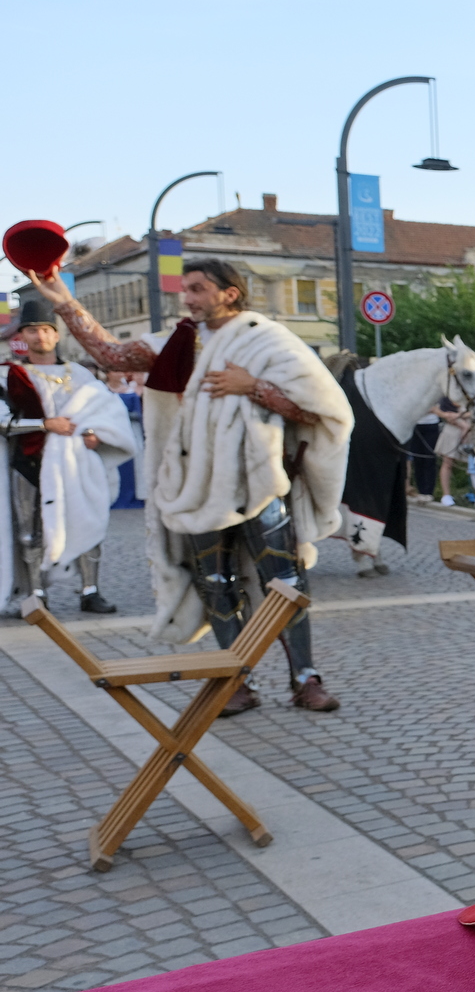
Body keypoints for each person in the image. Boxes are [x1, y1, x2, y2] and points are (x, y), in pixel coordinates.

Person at [31, 258, 351, 712]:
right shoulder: (180, 340)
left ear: (230, 293)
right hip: (196, 485)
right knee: (216, 583)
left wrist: (253, 386)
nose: (187, 298)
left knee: (285, 581)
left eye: (198, 289)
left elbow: (320, 410)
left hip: (260, 482)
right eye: (185, 289)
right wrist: (65, 303)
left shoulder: (270, 340)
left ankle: (306, 679)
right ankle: (236, 682)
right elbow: (114, 356)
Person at [2, 297, 135, 615]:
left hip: (76, 462)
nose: (40, 337)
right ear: (23, 336)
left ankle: (91, 590)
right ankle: (37, 594)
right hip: (29, 460)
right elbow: (3, 420)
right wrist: (45, 424)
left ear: (57, 334)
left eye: (46, 330)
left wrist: (96, 435)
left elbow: (105, 412)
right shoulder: (10, 375)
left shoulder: (80, 375)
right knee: (30, 530)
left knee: (87, 518)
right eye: (32, 331)